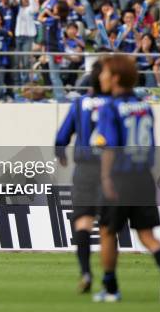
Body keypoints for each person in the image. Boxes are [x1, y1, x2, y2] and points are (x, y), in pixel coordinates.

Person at [92, 55, 160, 302]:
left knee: (108, 231)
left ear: (116, 77)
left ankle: (111, 289)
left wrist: (106, 177)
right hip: (143, 177)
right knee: (146, 235)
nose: (101, 76)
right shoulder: (144, 107)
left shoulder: (110, 107)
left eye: (105, 72)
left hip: (119, 177)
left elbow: (110, 146)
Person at [55, 61, 109, 293]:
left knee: (83, 222)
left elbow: (61, 138)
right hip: (111, 169)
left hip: (85, 169)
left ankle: (86, 272)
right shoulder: (117, 103)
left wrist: (62, 154)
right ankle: (109, 280)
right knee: (108, 226)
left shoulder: (79, 104)